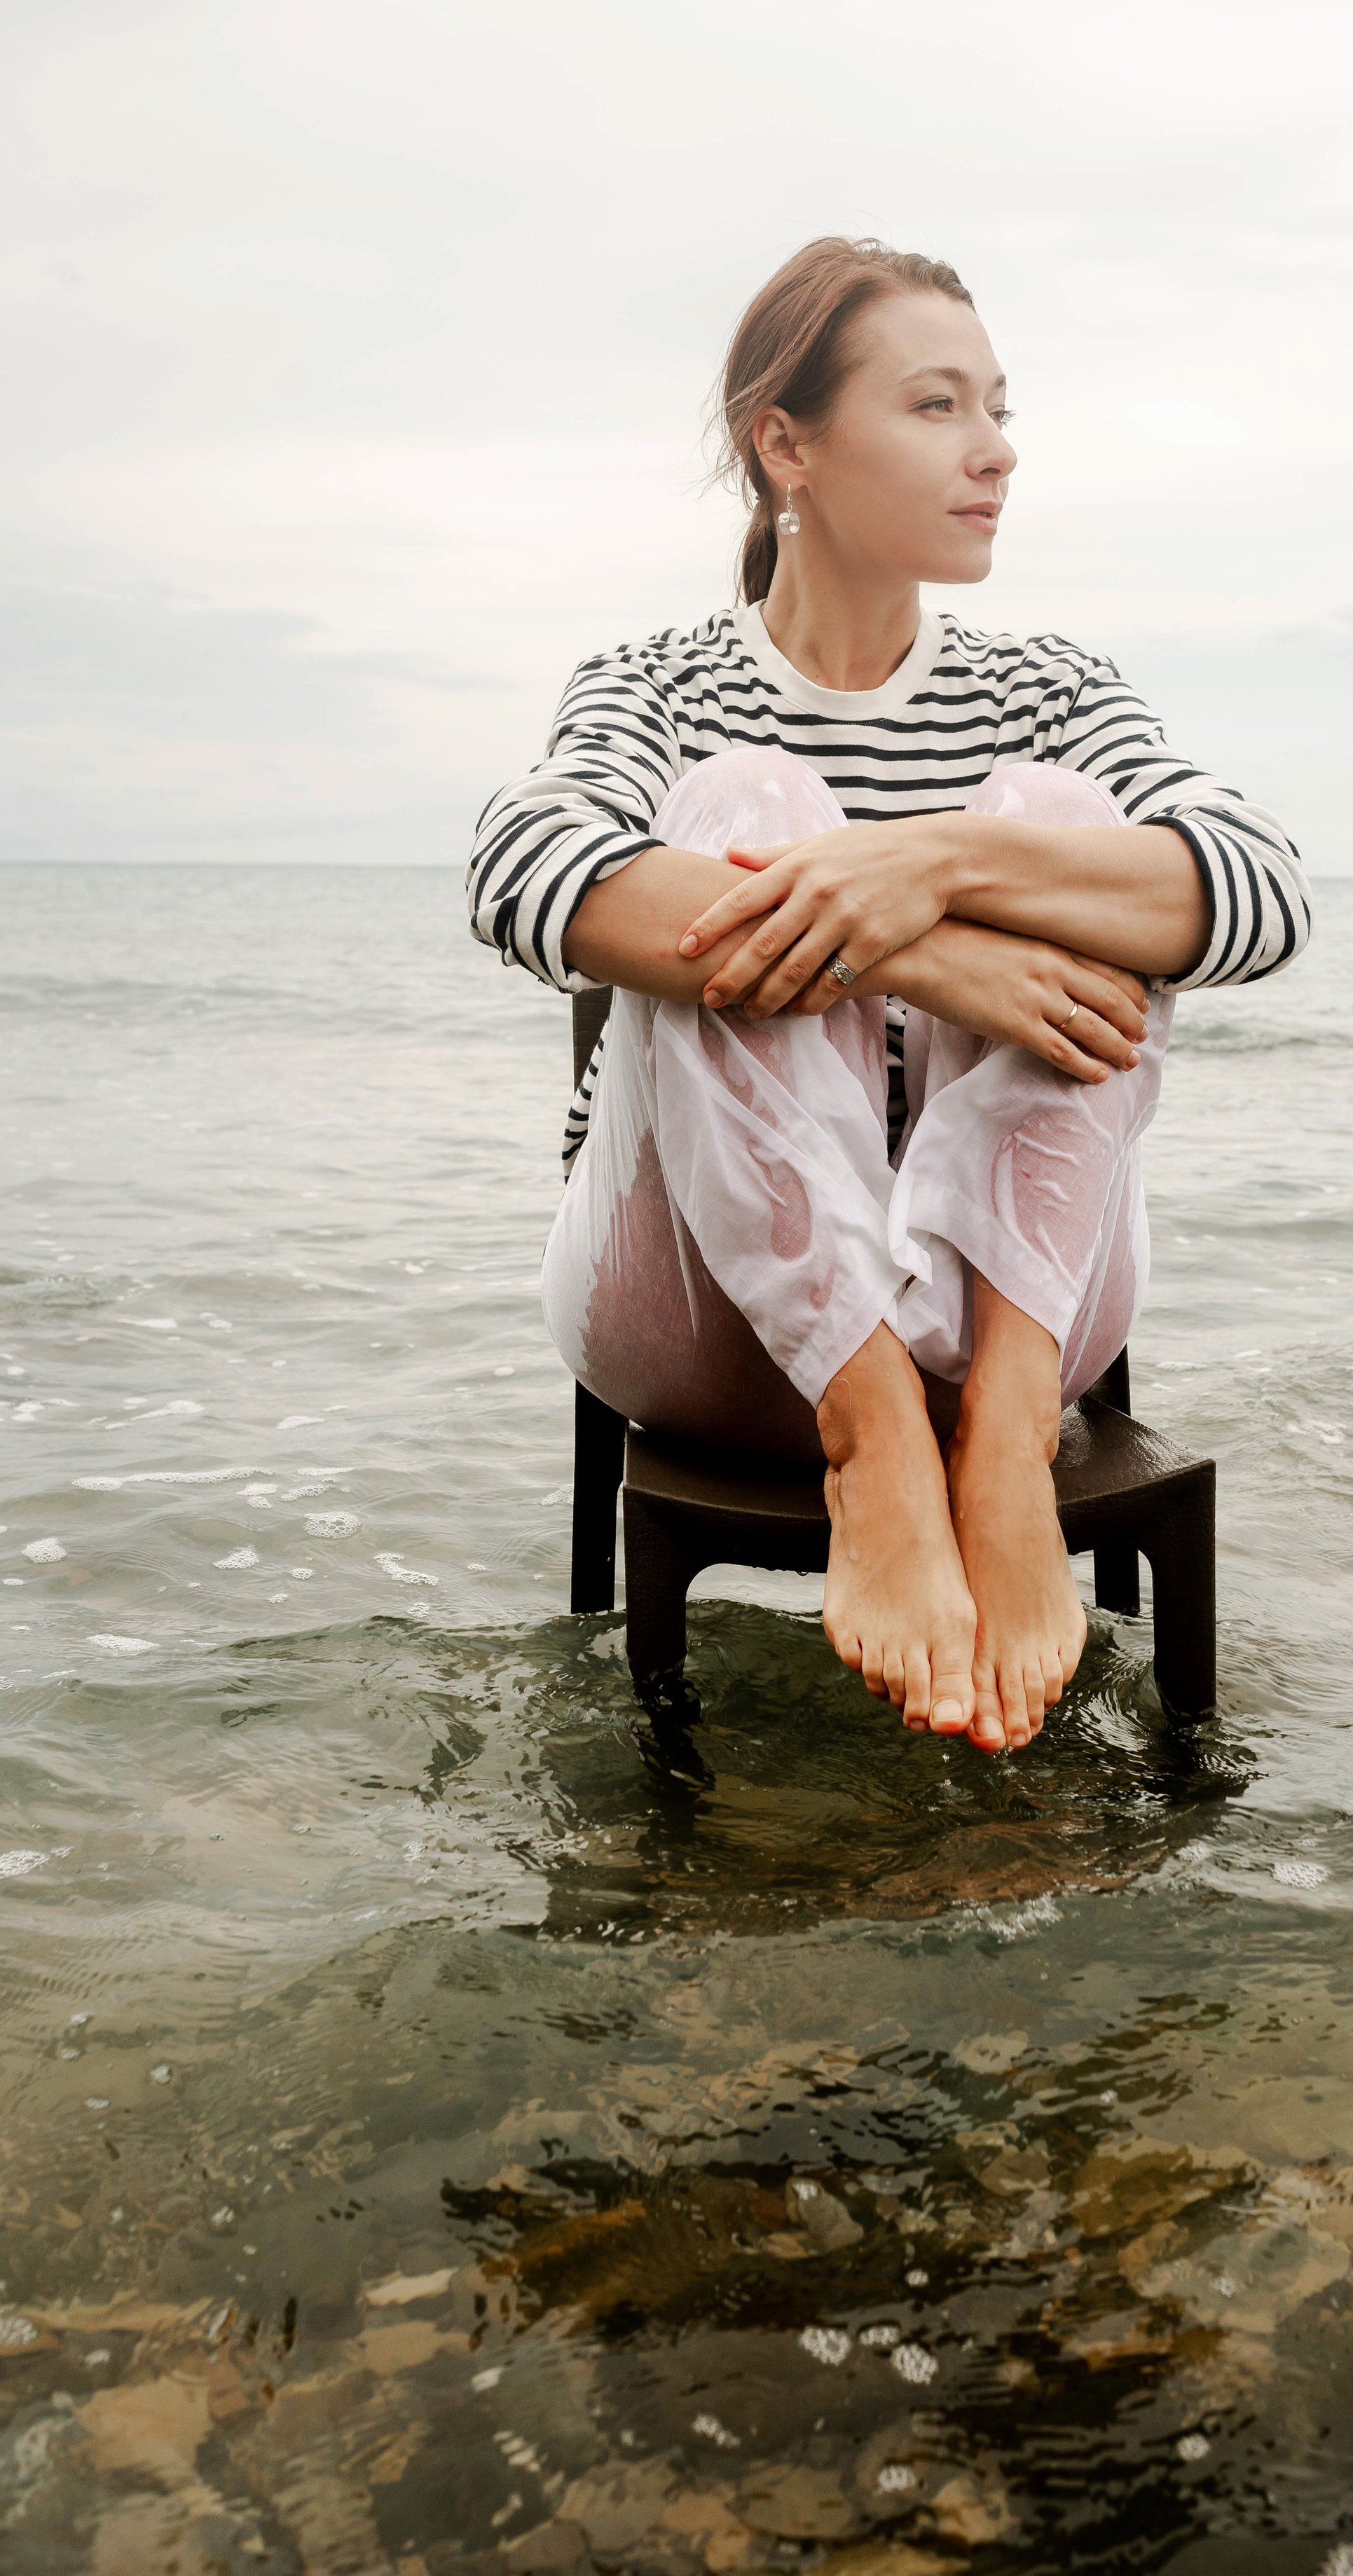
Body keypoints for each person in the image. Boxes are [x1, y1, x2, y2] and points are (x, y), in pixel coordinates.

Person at [469, 238, 1310, 1760]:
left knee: (1065, 821)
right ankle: (872, 1443)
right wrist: (921, 950)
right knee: (748, 801)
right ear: (784, 445)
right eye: (935, 406)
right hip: (709, 1318)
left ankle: (999, 1446)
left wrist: (939, 862)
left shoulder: (1050, 690)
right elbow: (525, 872)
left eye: (998, 407)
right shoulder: (659, 685)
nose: (995, 451)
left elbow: (1257, 891)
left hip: (1016, 1320)